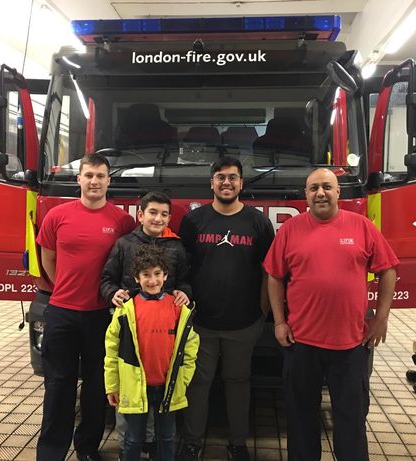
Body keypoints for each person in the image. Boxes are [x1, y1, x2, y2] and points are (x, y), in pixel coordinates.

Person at [263, 168, 399, 461]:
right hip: (301, 343)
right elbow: (274, 276)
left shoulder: (362, 227)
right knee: (301, 419)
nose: (320, 193)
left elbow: (388, 270)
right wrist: (279, 322)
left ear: (338, 192)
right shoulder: (290, 229)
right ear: (306, 195)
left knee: (350, 419)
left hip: (350, 345)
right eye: (313, 188)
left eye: (327, 187)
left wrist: (382, 318)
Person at [36, 153, 135, 461]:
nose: (94, 181)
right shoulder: (57, 215)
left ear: (108, 181)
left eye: (100, 176)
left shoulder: (122, 221)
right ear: (78, 179)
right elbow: (47, 259)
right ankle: (52, 451)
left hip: (101, 316)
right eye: (89, 175)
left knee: (96, 386)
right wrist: (66, 288)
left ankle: (87, 449)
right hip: (62, 312)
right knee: (58, 385)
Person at [177, 156, 275, 461]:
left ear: (241, 183)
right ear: (211, 183)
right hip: (201, 323)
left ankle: (237, 443)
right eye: (220, 177)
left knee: (238, 383)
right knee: (198, 383)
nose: (226, 183)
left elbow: (267, 272)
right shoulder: (194, 221)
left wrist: (261, 313)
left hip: (244, 324)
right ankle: (192, 442)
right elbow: (183, 268)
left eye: (232, 177)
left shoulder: (258, 222)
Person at [100, 191, 192, 458]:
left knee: (159, 392)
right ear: (140, 215)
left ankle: (153, 447)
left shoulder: (176, 246)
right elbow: (106, 278)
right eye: (152, 212)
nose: (158, 218)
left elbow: (185, 280)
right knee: (132, 401)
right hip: (130, 324)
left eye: (164, 214)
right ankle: (130, 444)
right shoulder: (124, 244)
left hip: (164, 326)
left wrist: (184, 292)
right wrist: (111, 293)